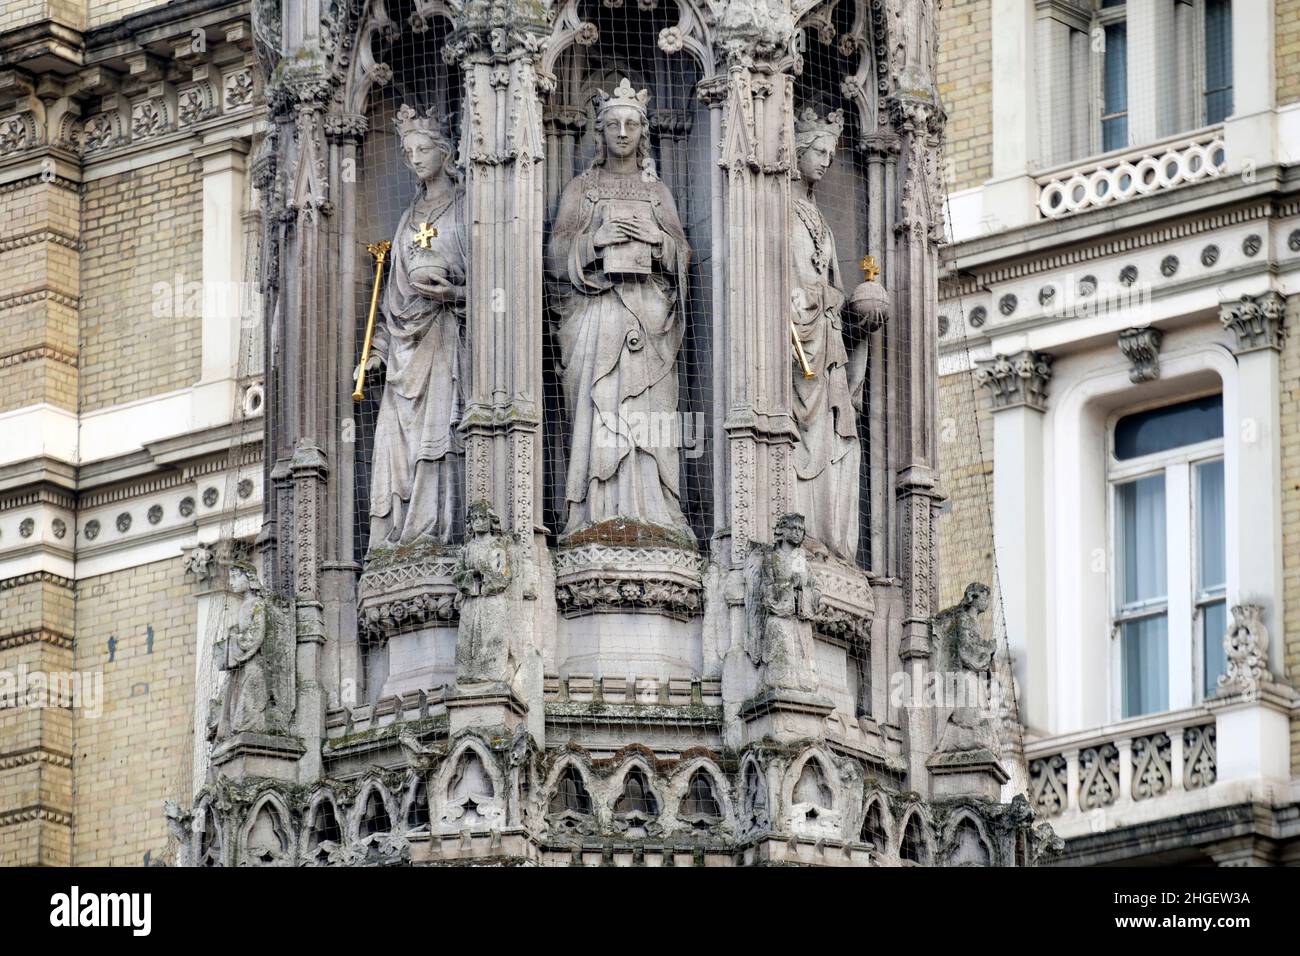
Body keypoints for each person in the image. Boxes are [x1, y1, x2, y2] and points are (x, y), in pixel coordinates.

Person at [364, 104, 468, 550]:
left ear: (445, 154)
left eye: (423, 149)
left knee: (441, 435)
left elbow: (496, 280)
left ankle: (439, 534)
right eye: (408, 153)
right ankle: (401, 538)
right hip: (407, 351)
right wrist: (380, 352)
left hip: (447, 338)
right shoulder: (409, 219)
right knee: (396, 439)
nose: (415, 159)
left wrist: (455, 295)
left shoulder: (466, 209)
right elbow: (391, 304)